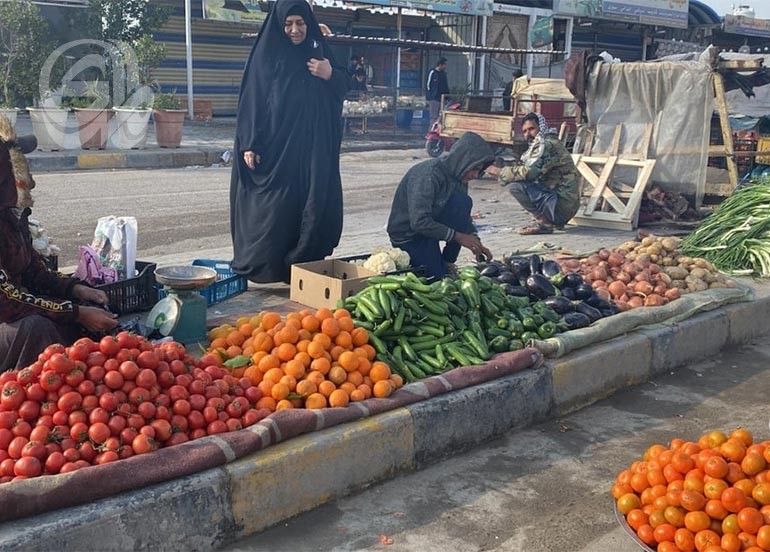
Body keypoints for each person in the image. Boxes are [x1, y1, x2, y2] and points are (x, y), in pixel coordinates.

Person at [231, 0, 349, 283]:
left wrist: (330, 73)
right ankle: (267, 267)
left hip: (311, 150)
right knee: (274, 210)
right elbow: (253, 100)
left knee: (309, 204)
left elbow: (345, 84)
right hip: (275, 148)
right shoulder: (267, 54)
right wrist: (250, 142)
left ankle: (300, 268)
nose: (295, 30)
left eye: (300, 23)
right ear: (279, 24)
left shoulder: (318, 50)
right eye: (288, 24)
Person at [0, 134, 117, 372]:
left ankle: (74, 387)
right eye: (11, 165)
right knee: (36, 328)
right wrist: (76, 313)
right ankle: (30, 399)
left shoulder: (10, 218)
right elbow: (6, 302)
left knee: (68, 313)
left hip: (11, 314)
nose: (27, 179)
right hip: (7, 318)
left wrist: (75, 289)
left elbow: (33, 270)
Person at [387, 132, 494, 279]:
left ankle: (447, 262)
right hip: (409, 235)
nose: (476, 175)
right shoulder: (429, 175)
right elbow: (419, 222)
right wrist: (459, 237)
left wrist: (475, 240)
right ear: (463, 160)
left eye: (479, 171)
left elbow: (462, 217)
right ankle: (438, 266)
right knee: (436, 280)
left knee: (463, 203)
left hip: (431, 229)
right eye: (474, 169)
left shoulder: (459, 177)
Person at [486, 112, 579, 235]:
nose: (528, 134)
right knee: (519, 181)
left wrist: (498, 171)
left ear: (541, 128)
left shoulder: (546, 144)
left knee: (516, 187)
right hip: (561, 202)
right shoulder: (544, 143)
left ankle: (544, 222)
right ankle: (547, 220)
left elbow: (529, 172)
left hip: (562, 204)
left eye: (531, 129)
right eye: (524, 131)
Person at [426, 57, 450, 122]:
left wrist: (447, 97)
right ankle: (432, 131)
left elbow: (446, 86)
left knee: (441, 117)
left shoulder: (444, 74)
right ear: (440, 65)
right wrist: (430, 96)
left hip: (443, 99)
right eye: (444, 65)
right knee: (433, 117)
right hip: (434, 99)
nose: (445, 66)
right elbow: (428, 85)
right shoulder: (433, 72)